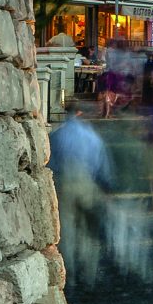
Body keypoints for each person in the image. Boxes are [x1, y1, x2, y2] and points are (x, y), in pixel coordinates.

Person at [49, 103, 113, 284]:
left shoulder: (56, 135)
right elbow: (102, 164)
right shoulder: (92, 135)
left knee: (67, 230)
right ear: (80, 113)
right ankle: (89, 273)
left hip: (65, 184)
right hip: (87, 183)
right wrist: (106, 187)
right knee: (89, 230)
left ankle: (69, 275)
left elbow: (51, 164)